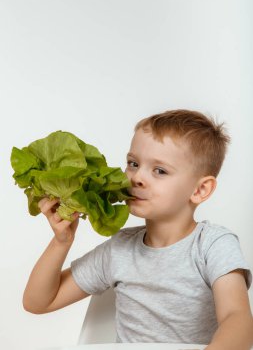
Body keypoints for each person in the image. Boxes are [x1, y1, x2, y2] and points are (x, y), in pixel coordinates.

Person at [23, 109, 253, 349]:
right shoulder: (119, 250)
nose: (136, 177)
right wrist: (62, 241)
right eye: (133, 163)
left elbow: (237, 319)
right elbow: (38, 302)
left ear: (200, 190)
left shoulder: (214, 245)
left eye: (160, 170)